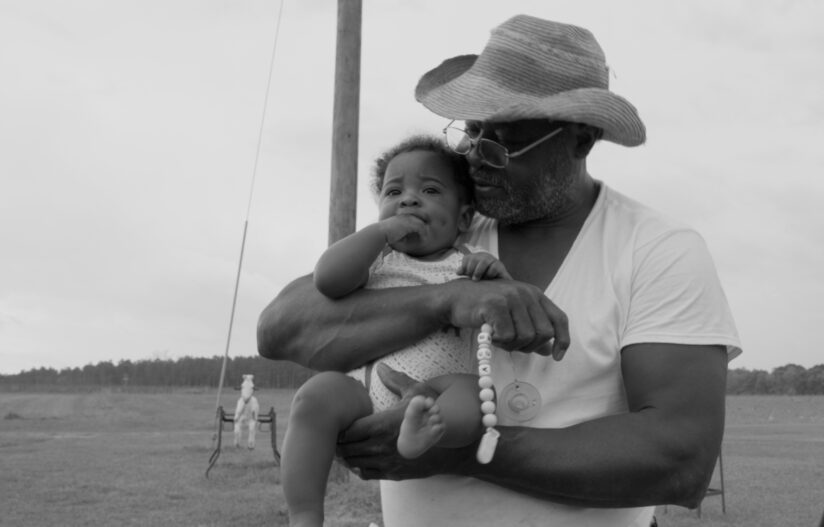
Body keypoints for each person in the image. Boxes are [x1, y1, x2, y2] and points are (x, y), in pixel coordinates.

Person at [258, 14, 741, 527]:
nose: (473, 160)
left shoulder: (657, 250)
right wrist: (446, 300)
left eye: (501, 143)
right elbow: (281, 328)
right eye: (471, 133)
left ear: (580, 138)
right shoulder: (445, 226)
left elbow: (681, 459)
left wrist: (465, 450)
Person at [280, 135, 515, 527]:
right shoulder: (376, 261)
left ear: (463, 218)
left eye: (429, 190)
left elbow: (504, 308)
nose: (409, 200)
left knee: (473, 396)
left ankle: (424, 432)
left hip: (436, 389)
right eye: (394, 191)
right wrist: (378, 234)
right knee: (313, 398)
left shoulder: (469, 263)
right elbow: (328, 279)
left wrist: (493, 277)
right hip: (363, 388)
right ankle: (304, 515)